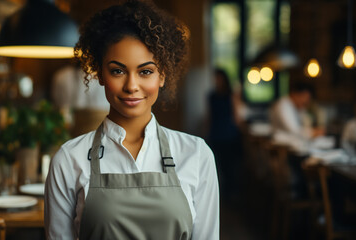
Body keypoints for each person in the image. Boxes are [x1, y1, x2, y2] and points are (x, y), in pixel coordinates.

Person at [44, 1, 219, 240]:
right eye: (118, 71)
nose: (131, 86)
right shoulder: (68, 160)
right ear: (100, 74)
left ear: (162, 75)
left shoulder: (196, 154)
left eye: (145, 71)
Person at [205, 68, 243, 201]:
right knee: (219, 166)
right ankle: (224, 194)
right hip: (218, 133)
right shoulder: (211, 96)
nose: (216, 81)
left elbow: (236, 116)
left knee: (229, 166)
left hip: (228, 134)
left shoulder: (231, 95)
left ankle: (230, 193)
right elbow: (209, 117)